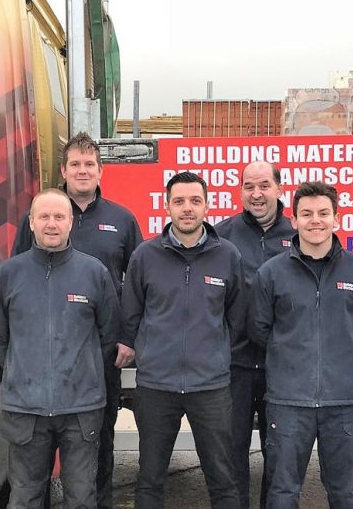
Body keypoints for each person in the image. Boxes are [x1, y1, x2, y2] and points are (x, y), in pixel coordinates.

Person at [12, 131, 142, 509]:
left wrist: (128, 338)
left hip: (100, 355)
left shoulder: (122, 220)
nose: (82, 171)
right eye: (75, 164)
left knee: (97, 442)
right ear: (63, 171)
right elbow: (20, 277)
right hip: (42, 358)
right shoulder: (39, 218)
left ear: (100, 172)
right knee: (36, 452)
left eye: (89, 164)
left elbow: (138, 283)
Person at [248, 181, 353, 509]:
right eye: (306, 213)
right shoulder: (271, 274)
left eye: (324, 213)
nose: (316, 220)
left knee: (346, 493)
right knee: (282, 493)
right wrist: (294, 357)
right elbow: (259, 328)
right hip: (288, 402)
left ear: (336, 219)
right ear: (293, 220)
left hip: (345, 403)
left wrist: (340, 351)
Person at [0, 188, 120, 508]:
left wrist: (80, 370)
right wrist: (23, 369)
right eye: (44, 216)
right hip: (25, 410)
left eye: (59, 216)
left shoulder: (94, 272)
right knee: (26, 496)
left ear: (71, 222)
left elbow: (108, 333)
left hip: (81, 409)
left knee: (81, 497)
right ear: (31, 223)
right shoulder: (8, 274)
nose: (52, 223)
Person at [117, 171, 244, 508]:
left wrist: (214, 356)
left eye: (195, 201)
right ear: (167, 205)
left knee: (222, 479)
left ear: (207, 205)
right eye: (179, 201)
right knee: (150, 480)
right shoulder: (145, 256)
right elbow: (131, 314)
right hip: (157, 387)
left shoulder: (228, 256)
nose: (187, 208)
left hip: (210, 388)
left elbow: (237, 317)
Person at [215, 161, 295, 508]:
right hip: (234, 364)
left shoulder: (298, 235)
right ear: (241, 191)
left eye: (264, 185)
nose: (257, 194)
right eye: (249, 186)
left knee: (279, 453)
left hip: (281, 366)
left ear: (280, 189)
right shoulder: (221, 235)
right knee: (231, 454)